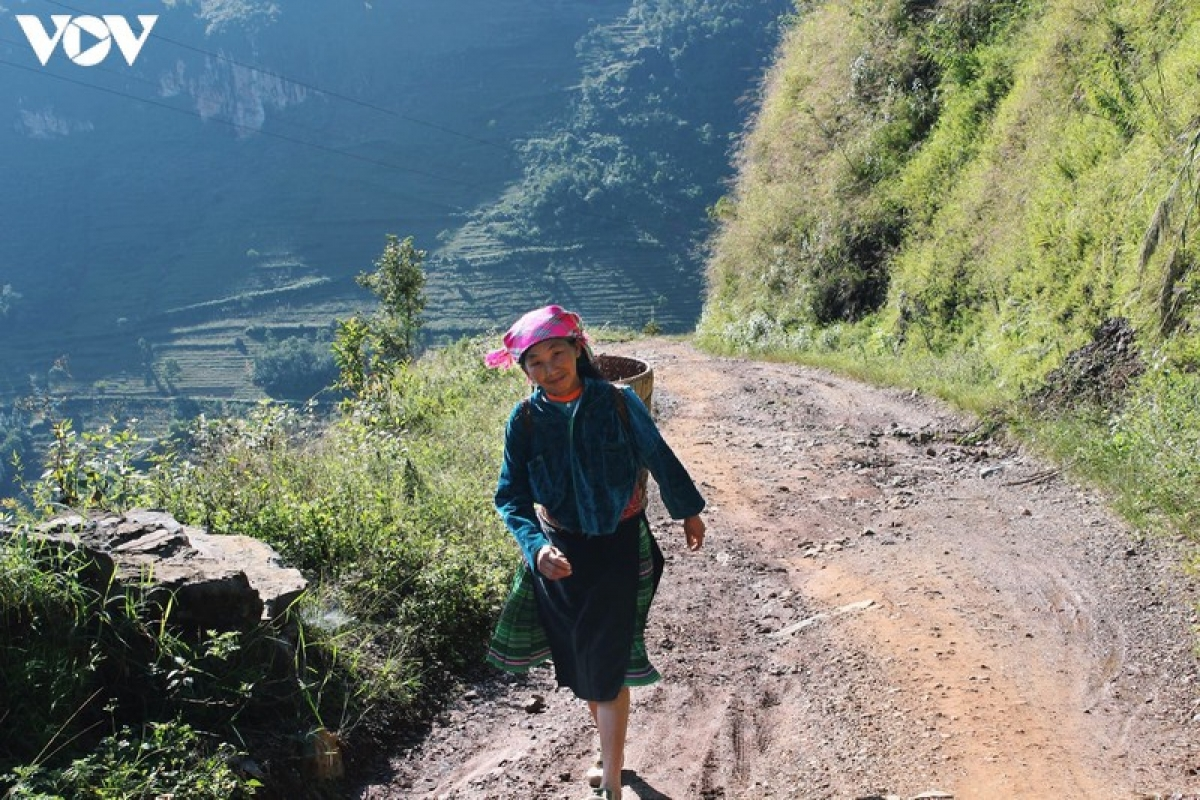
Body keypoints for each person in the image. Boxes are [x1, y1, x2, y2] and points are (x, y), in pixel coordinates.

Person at [485, 304, 706, 800]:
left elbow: (658, 456)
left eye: (557, 353)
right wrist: (536, 548)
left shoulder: (620, 403)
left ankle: (611, 782)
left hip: (617, 546)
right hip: (559, 552)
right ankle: (610, 756)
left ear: (579, 350)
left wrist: (687, 510)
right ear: (524, 370)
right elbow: (511, 496)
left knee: (603, 662)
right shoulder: (524, 421)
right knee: (584, 663)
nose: (549, 368)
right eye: (535, 362)